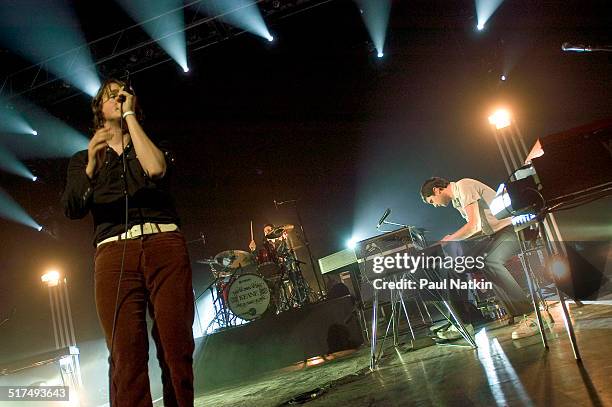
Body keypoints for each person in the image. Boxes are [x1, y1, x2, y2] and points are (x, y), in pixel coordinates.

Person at [61, 78, 194, 406]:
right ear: (98, 110)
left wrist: (131, 119)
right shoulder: (82, 159)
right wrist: (92, 165)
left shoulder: (149, 143)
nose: (117, 100)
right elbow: (72, 207)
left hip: (165, 244)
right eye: (109, 96)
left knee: (176, 346)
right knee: (126, 353)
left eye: (123, 95)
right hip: (114, 251)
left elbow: (156, 169)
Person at [420, 177, 548, 340]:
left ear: (437, 190)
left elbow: (474, 226)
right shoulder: (457, 202)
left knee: (489, 261)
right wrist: (454, 240)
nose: (435, 205)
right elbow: (479, 229)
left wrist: (450, 239)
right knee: (453, 267)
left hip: (512, 230)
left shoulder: (463, 185)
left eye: (432, 201)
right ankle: (463, 323)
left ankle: (533, 316)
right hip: (495, 235)